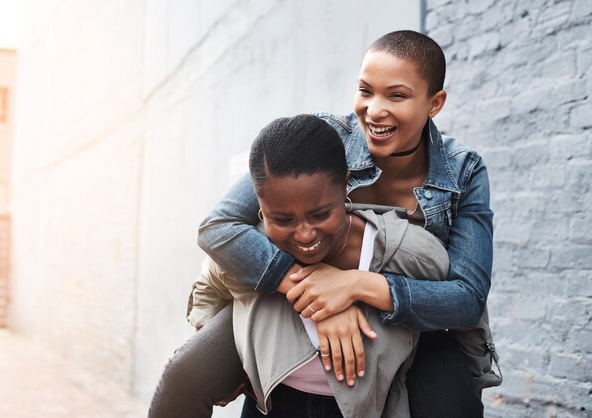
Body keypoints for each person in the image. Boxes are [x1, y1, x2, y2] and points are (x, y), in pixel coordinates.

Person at [149, 30, 500, 418]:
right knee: (183, 376)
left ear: (435, 103)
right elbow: (219, 226)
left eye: (396, 95)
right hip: (290, 296)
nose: (375, 110)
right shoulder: (324, 138)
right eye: (366, 91)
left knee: (453, 404)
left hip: (408, 318)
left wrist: (355, 286)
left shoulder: (463, 170)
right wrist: (314, 294)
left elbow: (467, 298)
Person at [187, 114, 451, 417]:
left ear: (345, 186)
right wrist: (235, 356)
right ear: (260, 209)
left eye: (320, 214)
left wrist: (364, 289)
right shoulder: (249, 248)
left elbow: (464, 308)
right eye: (283, 220)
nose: (305, 234)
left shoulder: (408, 251)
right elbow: (208, 285)